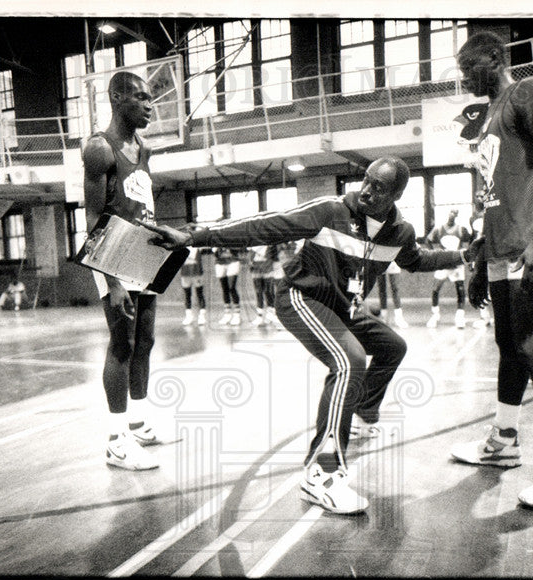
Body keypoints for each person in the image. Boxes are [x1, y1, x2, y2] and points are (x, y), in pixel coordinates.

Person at [142, 157, 470, 514]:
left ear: (397, 195)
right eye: (367, 180)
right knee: (349, 361)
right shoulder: (331, 211)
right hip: (302, 296)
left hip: (343, 306)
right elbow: (264, 226)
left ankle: (362, 412)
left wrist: (464, 256)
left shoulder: (400, 232)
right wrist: (194, 236)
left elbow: (416, 260)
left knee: (393, 346)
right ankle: (321, 475)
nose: (367, 190)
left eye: (379, 187)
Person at [448, 31, 533, 509]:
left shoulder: (528, 90)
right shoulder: (487, 117)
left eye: (469, 66)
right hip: (500, 247)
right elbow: (495, 193)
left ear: (494, 57)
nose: (464, 76)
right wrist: (479, 256)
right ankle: (504, 441)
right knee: (508, 346)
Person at [81, 70, 162, 471]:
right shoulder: (100, 148)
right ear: (116, 98)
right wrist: (112, 280)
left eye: (152, 99)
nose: (151, 106)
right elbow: (94, 216)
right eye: (142, 98)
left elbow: (140, 204)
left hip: (144, 251)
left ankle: (139, 421)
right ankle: (116, 440)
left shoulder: (142, 148)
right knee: (122, 343)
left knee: (145, 339)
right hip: (112, 251)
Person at [180, 245, 209, 326]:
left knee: (199, 293)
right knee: (187, 294)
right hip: (185, 273)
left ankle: (202, 316)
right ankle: (189, 316)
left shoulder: (198, 246)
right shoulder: (182, 247)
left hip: (197, 273)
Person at [214, 246, 242, 326]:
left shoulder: (233, 233)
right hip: (220, 262)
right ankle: (227, 314)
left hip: (232, 261)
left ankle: (237, 315)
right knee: (224, 288)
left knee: (232, 287)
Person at [251, 245, 278, 326]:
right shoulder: (253, 242)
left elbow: (275, 254)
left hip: (268, 267)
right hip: (256, 268)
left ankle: (271, 314)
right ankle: (260, 316)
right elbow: (249, 255)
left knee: (269, 291)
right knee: (258, 292)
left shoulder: (270, 243)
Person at [376, 264, 408, 328]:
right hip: (380, 259)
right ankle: (383, 316)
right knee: (381, 288)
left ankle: (398, 317)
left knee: (395, 288)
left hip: (393, 259)